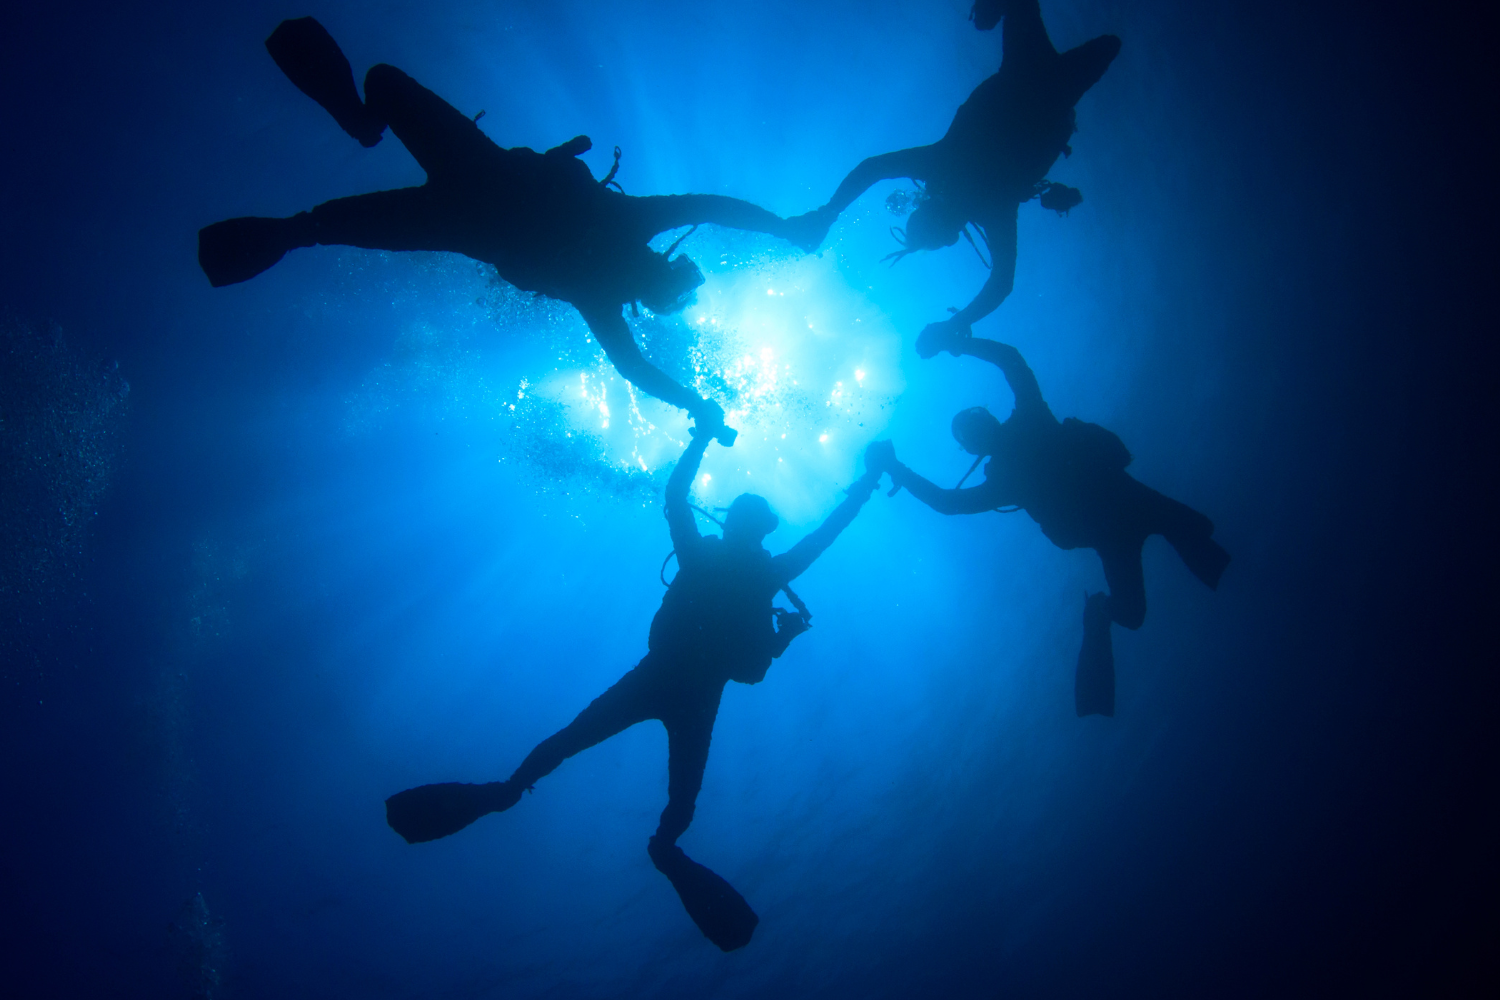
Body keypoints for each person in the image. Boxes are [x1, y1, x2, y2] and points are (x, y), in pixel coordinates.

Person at [198, 18, 815, 443]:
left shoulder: (606, 284)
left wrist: (696, 403)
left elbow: (639, 363)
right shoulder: (627, 234)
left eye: (661, 280)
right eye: (665, 272)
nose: (657, 270)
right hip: (469, 178)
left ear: (651, 286)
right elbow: (710, 208)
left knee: (320, 218)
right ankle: (356, 130)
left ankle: (326, 174)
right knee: (379, 90)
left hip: (458, 210)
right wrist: (783, 228)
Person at [384, 430, 883, 951]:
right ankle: (658, 844)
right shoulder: (762, 570)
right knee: (659, 784)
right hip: (691, 691)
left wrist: (702, 439)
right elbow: (825, 533)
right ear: (758, 529)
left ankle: (517, 794)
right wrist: (867, 482)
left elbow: (681, 500)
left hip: (662, 680)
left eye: (745, 522)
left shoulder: (707, 559)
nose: (742, 529)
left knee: (580, 744)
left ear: (745, 526)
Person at [866, 329, 1229, 717]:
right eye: (971, 430)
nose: (978, 429)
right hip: (1116, 528)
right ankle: (1100, 613)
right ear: (974, 444)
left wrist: (959, 343)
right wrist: (957, 344)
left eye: (974, 422)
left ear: (984, 425)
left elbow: (1012, 363)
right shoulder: (1012, 461)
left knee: (1198, 531)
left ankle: (1233, 588)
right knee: (1135, 612)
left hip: (1129, 508)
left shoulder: (1027, 425)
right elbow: (950, 501)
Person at [789, 0, 1120, 346]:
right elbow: (873, 168)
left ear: (951, 236)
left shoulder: (983, 200)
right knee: (1107, 42)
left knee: (1110, 44)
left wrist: (956, 324)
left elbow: (1002, 283)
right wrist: (827, 213)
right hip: (1029, 77)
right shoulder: (965, 185)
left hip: (1047, 90)